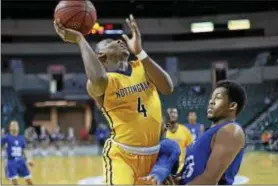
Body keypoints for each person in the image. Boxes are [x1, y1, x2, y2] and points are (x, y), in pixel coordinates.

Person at [54, 14, 173, 185]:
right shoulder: (103, 82)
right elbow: (98, 79)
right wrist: (80, 39)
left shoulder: (142, 67)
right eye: (111, 43)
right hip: (123, 156)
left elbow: (168, 87)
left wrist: (140, 52)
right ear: (101, 56)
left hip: (155, 154)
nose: (119, 41)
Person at [140, 80, 247, 185]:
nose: (211, 101)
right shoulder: (206, 136)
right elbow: (189, 174)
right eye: (211, 98)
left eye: (218, 98)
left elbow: (209, 180)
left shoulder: (231, 130)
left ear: (232, 106)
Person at [1, 120, 34, 185]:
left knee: (30, 181)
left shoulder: (21, 138)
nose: (14, 126)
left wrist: (29, 160)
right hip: (11, 162)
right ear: (10, 128)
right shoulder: (6, 137)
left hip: (21, 161)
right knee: (15, 183)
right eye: (12, 125)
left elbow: (25, 150)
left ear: (18, 128)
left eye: (16, 125)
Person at [166, 108, 193, 173]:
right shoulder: (162, 131)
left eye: (175, 113)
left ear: (178, 115)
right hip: (165, 167)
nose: (173, 115)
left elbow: (191, 149)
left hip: (181, 169)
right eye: (171, 113)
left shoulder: (184, 130)